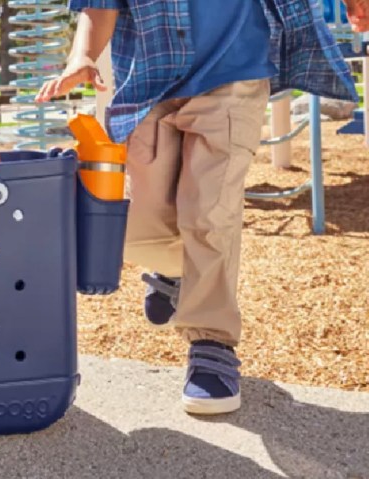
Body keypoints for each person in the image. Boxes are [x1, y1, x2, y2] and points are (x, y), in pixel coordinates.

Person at [37, 0, 365, 415]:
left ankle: (212, 344)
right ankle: (174, 271)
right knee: (143, 227)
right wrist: (82, 56)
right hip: (150, 80)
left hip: (235, 73)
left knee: (210, 211)